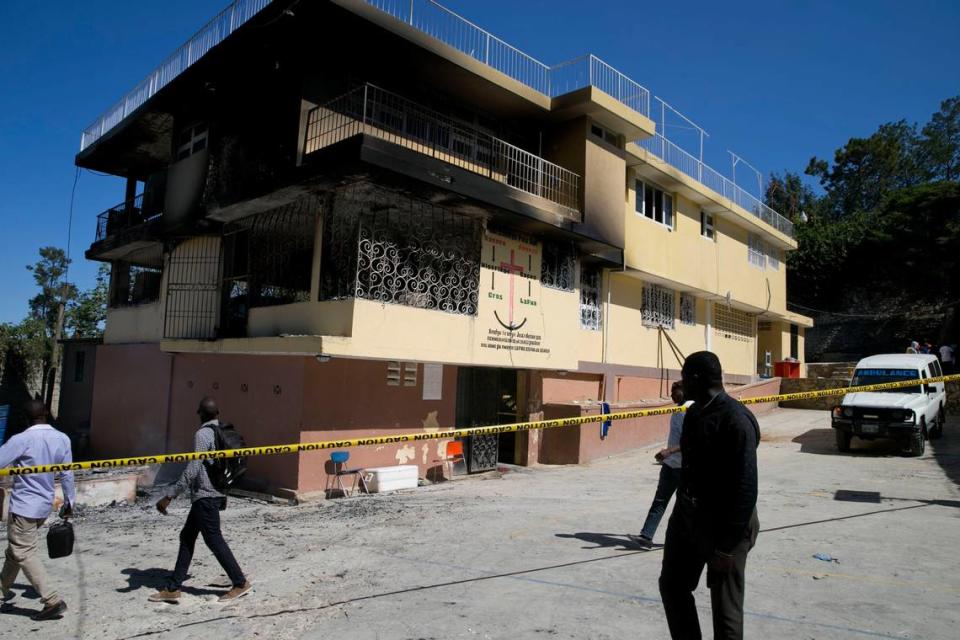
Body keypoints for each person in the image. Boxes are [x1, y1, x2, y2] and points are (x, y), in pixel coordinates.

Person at [659, 352, 760, 640]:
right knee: (673, 586)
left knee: (725, 616)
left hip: (727, 524)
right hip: (689, 516)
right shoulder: (694, 412)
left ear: (695, 379)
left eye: (683, 376)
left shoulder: (736, 420)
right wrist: (682, 515)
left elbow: (745, 489)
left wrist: (726, 549)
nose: (680, 382)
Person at [150, 397, 250, 603]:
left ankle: (239, 582)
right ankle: (173, 587)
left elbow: (193, 469)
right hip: (213, 493)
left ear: (201, 414)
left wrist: (170, 495)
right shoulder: (222, 430)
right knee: (187, 537)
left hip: (206, 495)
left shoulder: (203, 434)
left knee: (214, 539)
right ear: (217, 413)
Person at [0, 400, 75, 621]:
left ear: (25, 418)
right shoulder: (62, 438)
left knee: (23, 551)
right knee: (16, 551)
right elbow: (68, 474)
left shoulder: (21, 439)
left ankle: (52, 601)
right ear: (46, 414)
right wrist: (70, 503)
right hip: (44, 505)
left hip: (24, 506)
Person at [629, 382, 691, 548]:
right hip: (670, 466)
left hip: (686, 468)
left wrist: (669, 451)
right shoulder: (679, 409)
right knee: (660, 501)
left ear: (685, 390)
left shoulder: (691, 410)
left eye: (674, 391)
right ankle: (646, 536)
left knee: (686, 507)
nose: (671, 394)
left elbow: (692, 441)